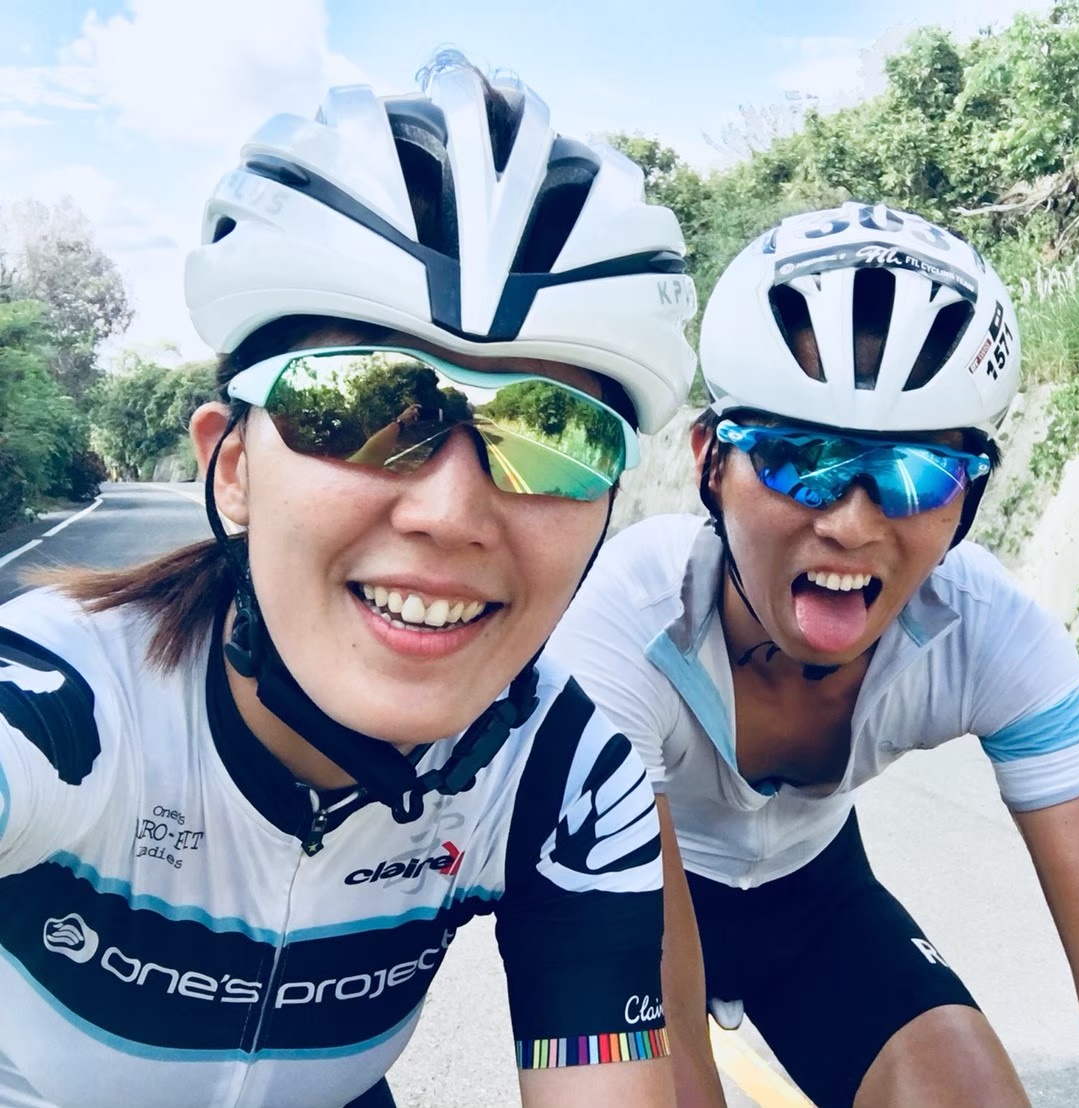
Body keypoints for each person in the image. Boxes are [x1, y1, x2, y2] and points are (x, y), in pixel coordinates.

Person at [0, 54, 698, 1108]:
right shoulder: (61, 703)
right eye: (362, 408)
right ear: (233, 469)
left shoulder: (567, 775)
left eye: (551, 438)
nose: (450, 512)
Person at [549, 202, 1079, 1108]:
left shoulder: (990, 632)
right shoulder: (629, 621)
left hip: (814, 897)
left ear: (969, 499)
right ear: (710, 465)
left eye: (915, 473)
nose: (852, 525)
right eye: (798, 458)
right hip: (644, 895)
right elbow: (666, 1019)